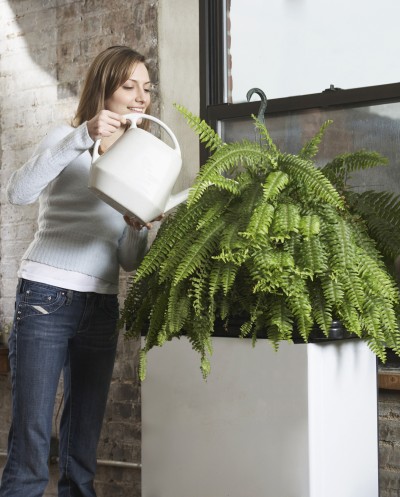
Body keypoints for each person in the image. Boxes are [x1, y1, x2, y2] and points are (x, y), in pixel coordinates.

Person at [0, 46, 157, 497]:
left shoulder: (143, 157)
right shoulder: (66, 137)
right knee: (31, 443)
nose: (140, 96)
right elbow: (19, 192)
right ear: (103, 88)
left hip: (101, 305)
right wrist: (81, 137)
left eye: (146, 88)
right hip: (45, 297)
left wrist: (135, 230)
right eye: (129, 86)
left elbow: (128, 261)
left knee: (82, 446)